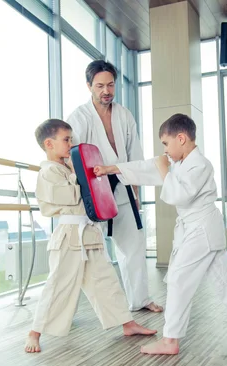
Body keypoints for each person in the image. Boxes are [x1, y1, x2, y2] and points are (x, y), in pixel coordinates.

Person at [94, 113, 227, 355]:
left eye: (166, 143)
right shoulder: (178, 163)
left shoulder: (200, 165)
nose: (164, 150)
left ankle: (170, 340)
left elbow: (179, 195)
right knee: (223, 277)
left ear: (181, 139)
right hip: (200, 229)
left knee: (178, 279)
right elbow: (146, 167)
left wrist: (164, 169)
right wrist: (111, 169)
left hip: (201, 229)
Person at [24, 119, 156, 353]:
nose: (70, 144)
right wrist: (81, 175)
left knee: (105, 280)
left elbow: (91, 193)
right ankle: (34, 332)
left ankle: (127, 323)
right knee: (58, 285)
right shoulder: (48, 171)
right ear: (48, 144)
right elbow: (73, 196)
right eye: (66, 139)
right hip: (68, 237)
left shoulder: (65, 168)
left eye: (71, 139)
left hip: (88, 234)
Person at [66, 60, 162, 313]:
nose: (106, 91)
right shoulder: (80, 116)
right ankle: (66, 308)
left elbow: (135, 156)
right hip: (92, 191)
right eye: (99, 86)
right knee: (81, 251)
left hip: (122, 186)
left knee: (133, 245)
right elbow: (73, 155)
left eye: (110, 85)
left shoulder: (124, 114)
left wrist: (136, 193)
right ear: (89, 86)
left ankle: (139, 300)